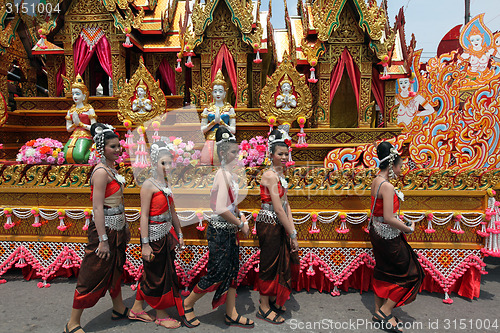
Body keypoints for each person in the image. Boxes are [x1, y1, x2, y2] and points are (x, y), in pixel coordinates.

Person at [182, 127, 254, 329]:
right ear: (222, 153)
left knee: (232, 271)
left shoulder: (229, 175)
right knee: (216, 272)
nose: (237, 155)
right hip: (220, 230)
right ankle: (187, 304)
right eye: (233, 152)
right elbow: (221, 208)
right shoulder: (222, 175)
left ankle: (231, 312)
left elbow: (231, 205)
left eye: (237, 151)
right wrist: (240, 223)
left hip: (229, 230)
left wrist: (240, 216)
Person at [64, 123, 130, 333]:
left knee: (116, 268)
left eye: (118, 146)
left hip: (117, 227)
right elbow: (97, 208)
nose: (118, 150)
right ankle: (72, 323)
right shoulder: (101, 172)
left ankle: (118, 308)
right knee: (92, 273)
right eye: (113, 147)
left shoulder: (112, 168)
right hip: (105, 229)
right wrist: (102, 239)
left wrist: (125, 226)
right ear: (102, 149)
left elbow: (119, 201)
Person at [129, 141, 185, 329]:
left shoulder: (166, 183)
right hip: (152, 237)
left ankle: (137, 308)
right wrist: (145, 244)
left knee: (154, 273)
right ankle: (160, 314)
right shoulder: (148, 185)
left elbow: (173, 211)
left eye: (169, 163)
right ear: (154, 163)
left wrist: (179, 232)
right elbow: (143, 215)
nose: (167, 167)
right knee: (158, 276)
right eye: (163, 163)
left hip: (166, 234)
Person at [369, 142, 424, 333]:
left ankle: (378, 310)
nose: (401, 170)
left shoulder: (376, 180)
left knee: (383, 270)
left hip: (377, 232)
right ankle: (385, 310)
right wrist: (408, 228)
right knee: (411, 273)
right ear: (392, 165)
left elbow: (380, 214)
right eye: (400, 166)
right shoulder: (387, 186)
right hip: (388, 236)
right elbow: (389, 218)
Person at [255, 125, 299, 325]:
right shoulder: (270, 175)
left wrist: (293, 230)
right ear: (271, 154)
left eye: (286, 154)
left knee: (282, 260)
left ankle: (273, 297)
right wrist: (292, 234)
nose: (284, 157)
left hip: (279, 222)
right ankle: (263, 306)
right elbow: (277, 208)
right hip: (269, 223)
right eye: (280, 154)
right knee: (268, 263)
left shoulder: (281, 175)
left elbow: (286, 204)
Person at [200, 69, 236, 165]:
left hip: (225, 138)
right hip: (211, 138)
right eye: (215, 91)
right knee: (206, 162)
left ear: (225, 92)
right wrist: (213, 123)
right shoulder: (207, 109)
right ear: (212, 93)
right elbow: (202, 130)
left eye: (220, 91)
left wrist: (222, 123)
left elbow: (233, 130)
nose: (218, 94)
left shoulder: (229, 109)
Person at [63, 74, 97, 164]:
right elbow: (68, 129)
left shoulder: (89, 109)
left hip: (86, 135)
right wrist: (75, 124)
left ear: (84, 95)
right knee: (64, 155)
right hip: (74, 135)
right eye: (73, 94)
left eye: (78, 94)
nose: (75, 96)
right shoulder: (71, 110)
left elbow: (94, 128)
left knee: (79, 156)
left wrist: (81, 124)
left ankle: (94, 153)